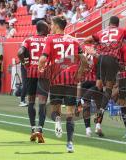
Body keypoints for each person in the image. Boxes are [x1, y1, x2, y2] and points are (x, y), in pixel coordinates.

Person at [82, 16, 126, 137]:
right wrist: (125, 42)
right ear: (118, 24)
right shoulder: (121, 31)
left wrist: (96, 47)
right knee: (109, 89)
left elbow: (86, 40)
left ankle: (95, 118)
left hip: (101, 58)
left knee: (99, 87)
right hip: (112, 60)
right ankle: (100, 112)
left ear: (109, 23)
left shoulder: (101, 32)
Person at [38, 16, 84, 153]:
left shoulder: (50, 39)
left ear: (57, 26)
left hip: (56, 80)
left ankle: (57, 120)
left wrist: (41, 67)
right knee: (70, 113)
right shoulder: (74, 40)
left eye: (51, 24)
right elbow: (84, 60)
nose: (50, 27)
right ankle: (69, 143)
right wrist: (79, 73)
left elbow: (43, 58)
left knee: (54, 110)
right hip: (71, 80)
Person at [18, 20, 50, 143]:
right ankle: (40, 131)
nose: (49, 30)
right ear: (44, 29)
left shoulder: (28, 40)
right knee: (42, 102)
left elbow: (20, 52)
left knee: (31, 101)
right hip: (44, 73)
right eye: (48, 28)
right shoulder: (48, 40)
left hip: (31, 73)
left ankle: (32, 130)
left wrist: (24, 62)